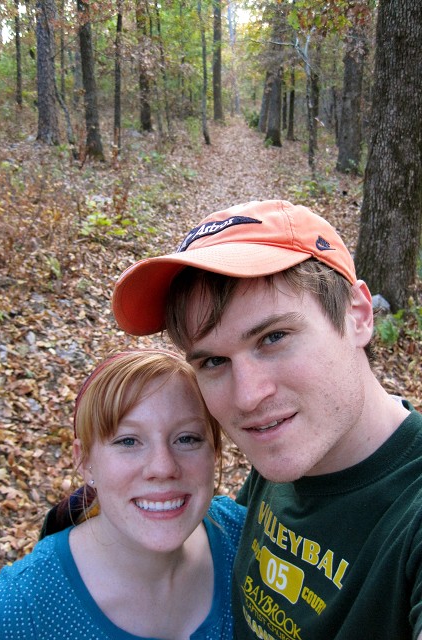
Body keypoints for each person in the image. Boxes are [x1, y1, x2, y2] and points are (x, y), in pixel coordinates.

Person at [110, 200, 422, 639]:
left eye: (273, 337)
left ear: (358, 315)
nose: (248, 397)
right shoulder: (289, 447)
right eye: (214, 361)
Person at [0, 350, 246, 640]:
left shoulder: (249, 539)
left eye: (187, 438)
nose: (163, 467)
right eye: (128, 441)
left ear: (215, 452)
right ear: (85, 460)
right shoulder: (18, 611)